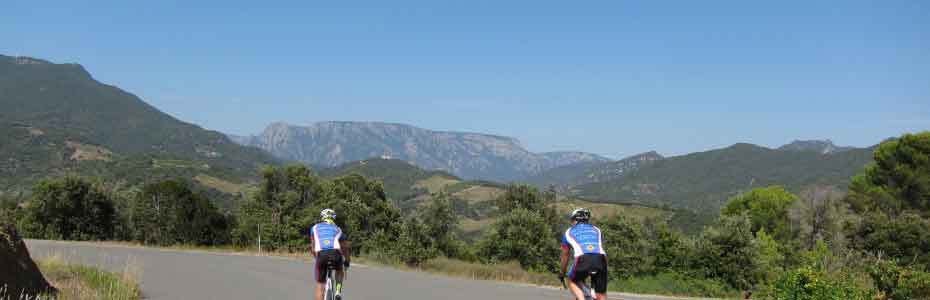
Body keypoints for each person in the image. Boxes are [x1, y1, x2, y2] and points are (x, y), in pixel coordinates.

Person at [559, 208, 608, 300]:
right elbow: (599, 248)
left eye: (572, 220)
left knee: (571, 280)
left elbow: (565, 255)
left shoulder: (568, 232)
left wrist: (563, 272)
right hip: (601, 259)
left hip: (582, 258)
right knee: (601, 294)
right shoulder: (597, 230)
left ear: (575, 220)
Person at [310, 208, 351, 300]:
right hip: (335, 254)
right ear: (333, 218)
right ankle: (337, 291)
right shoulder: (338, 229)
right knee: (339, 271)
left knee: (320, 286)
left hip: (321, 255)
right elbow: (344, 247)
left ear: (322, 218)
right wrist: (347, 261)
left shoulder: (314, 228)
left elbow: (313, 247)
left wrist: (317, 258)